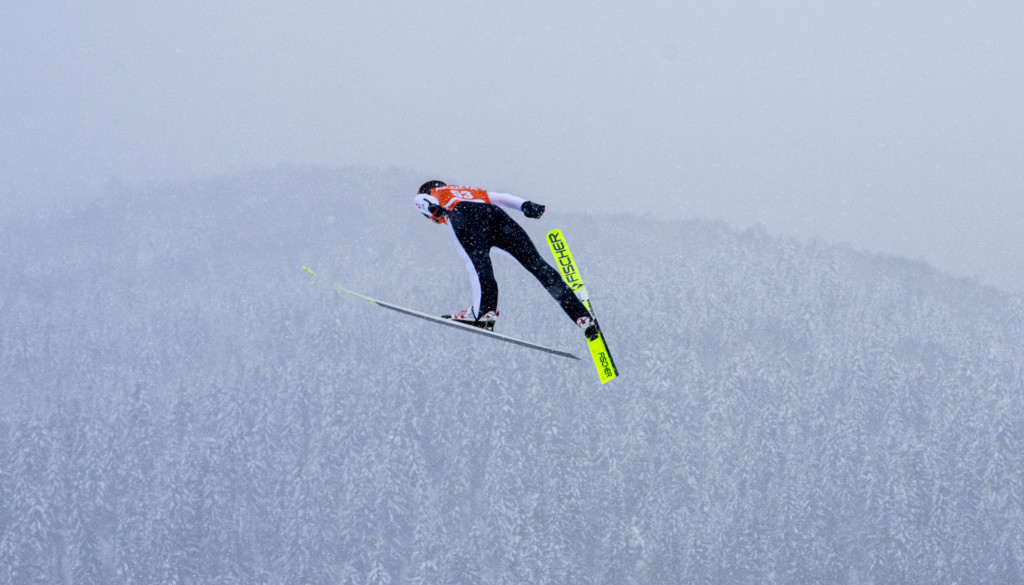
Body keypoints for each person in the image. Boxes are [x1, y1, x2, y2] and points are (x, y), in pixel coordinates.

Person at [414, 180, 600, 340]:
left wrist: (433, 209)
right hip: (496, 216)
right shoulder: (470, 190)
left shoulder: (434, 193)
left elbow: (420, 200)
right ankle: (582, 316)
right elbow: (500, 197)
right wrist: (526, 205)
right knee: (537, 264)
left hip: (464, 216)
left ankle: (484, 313)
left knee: (479, 265)